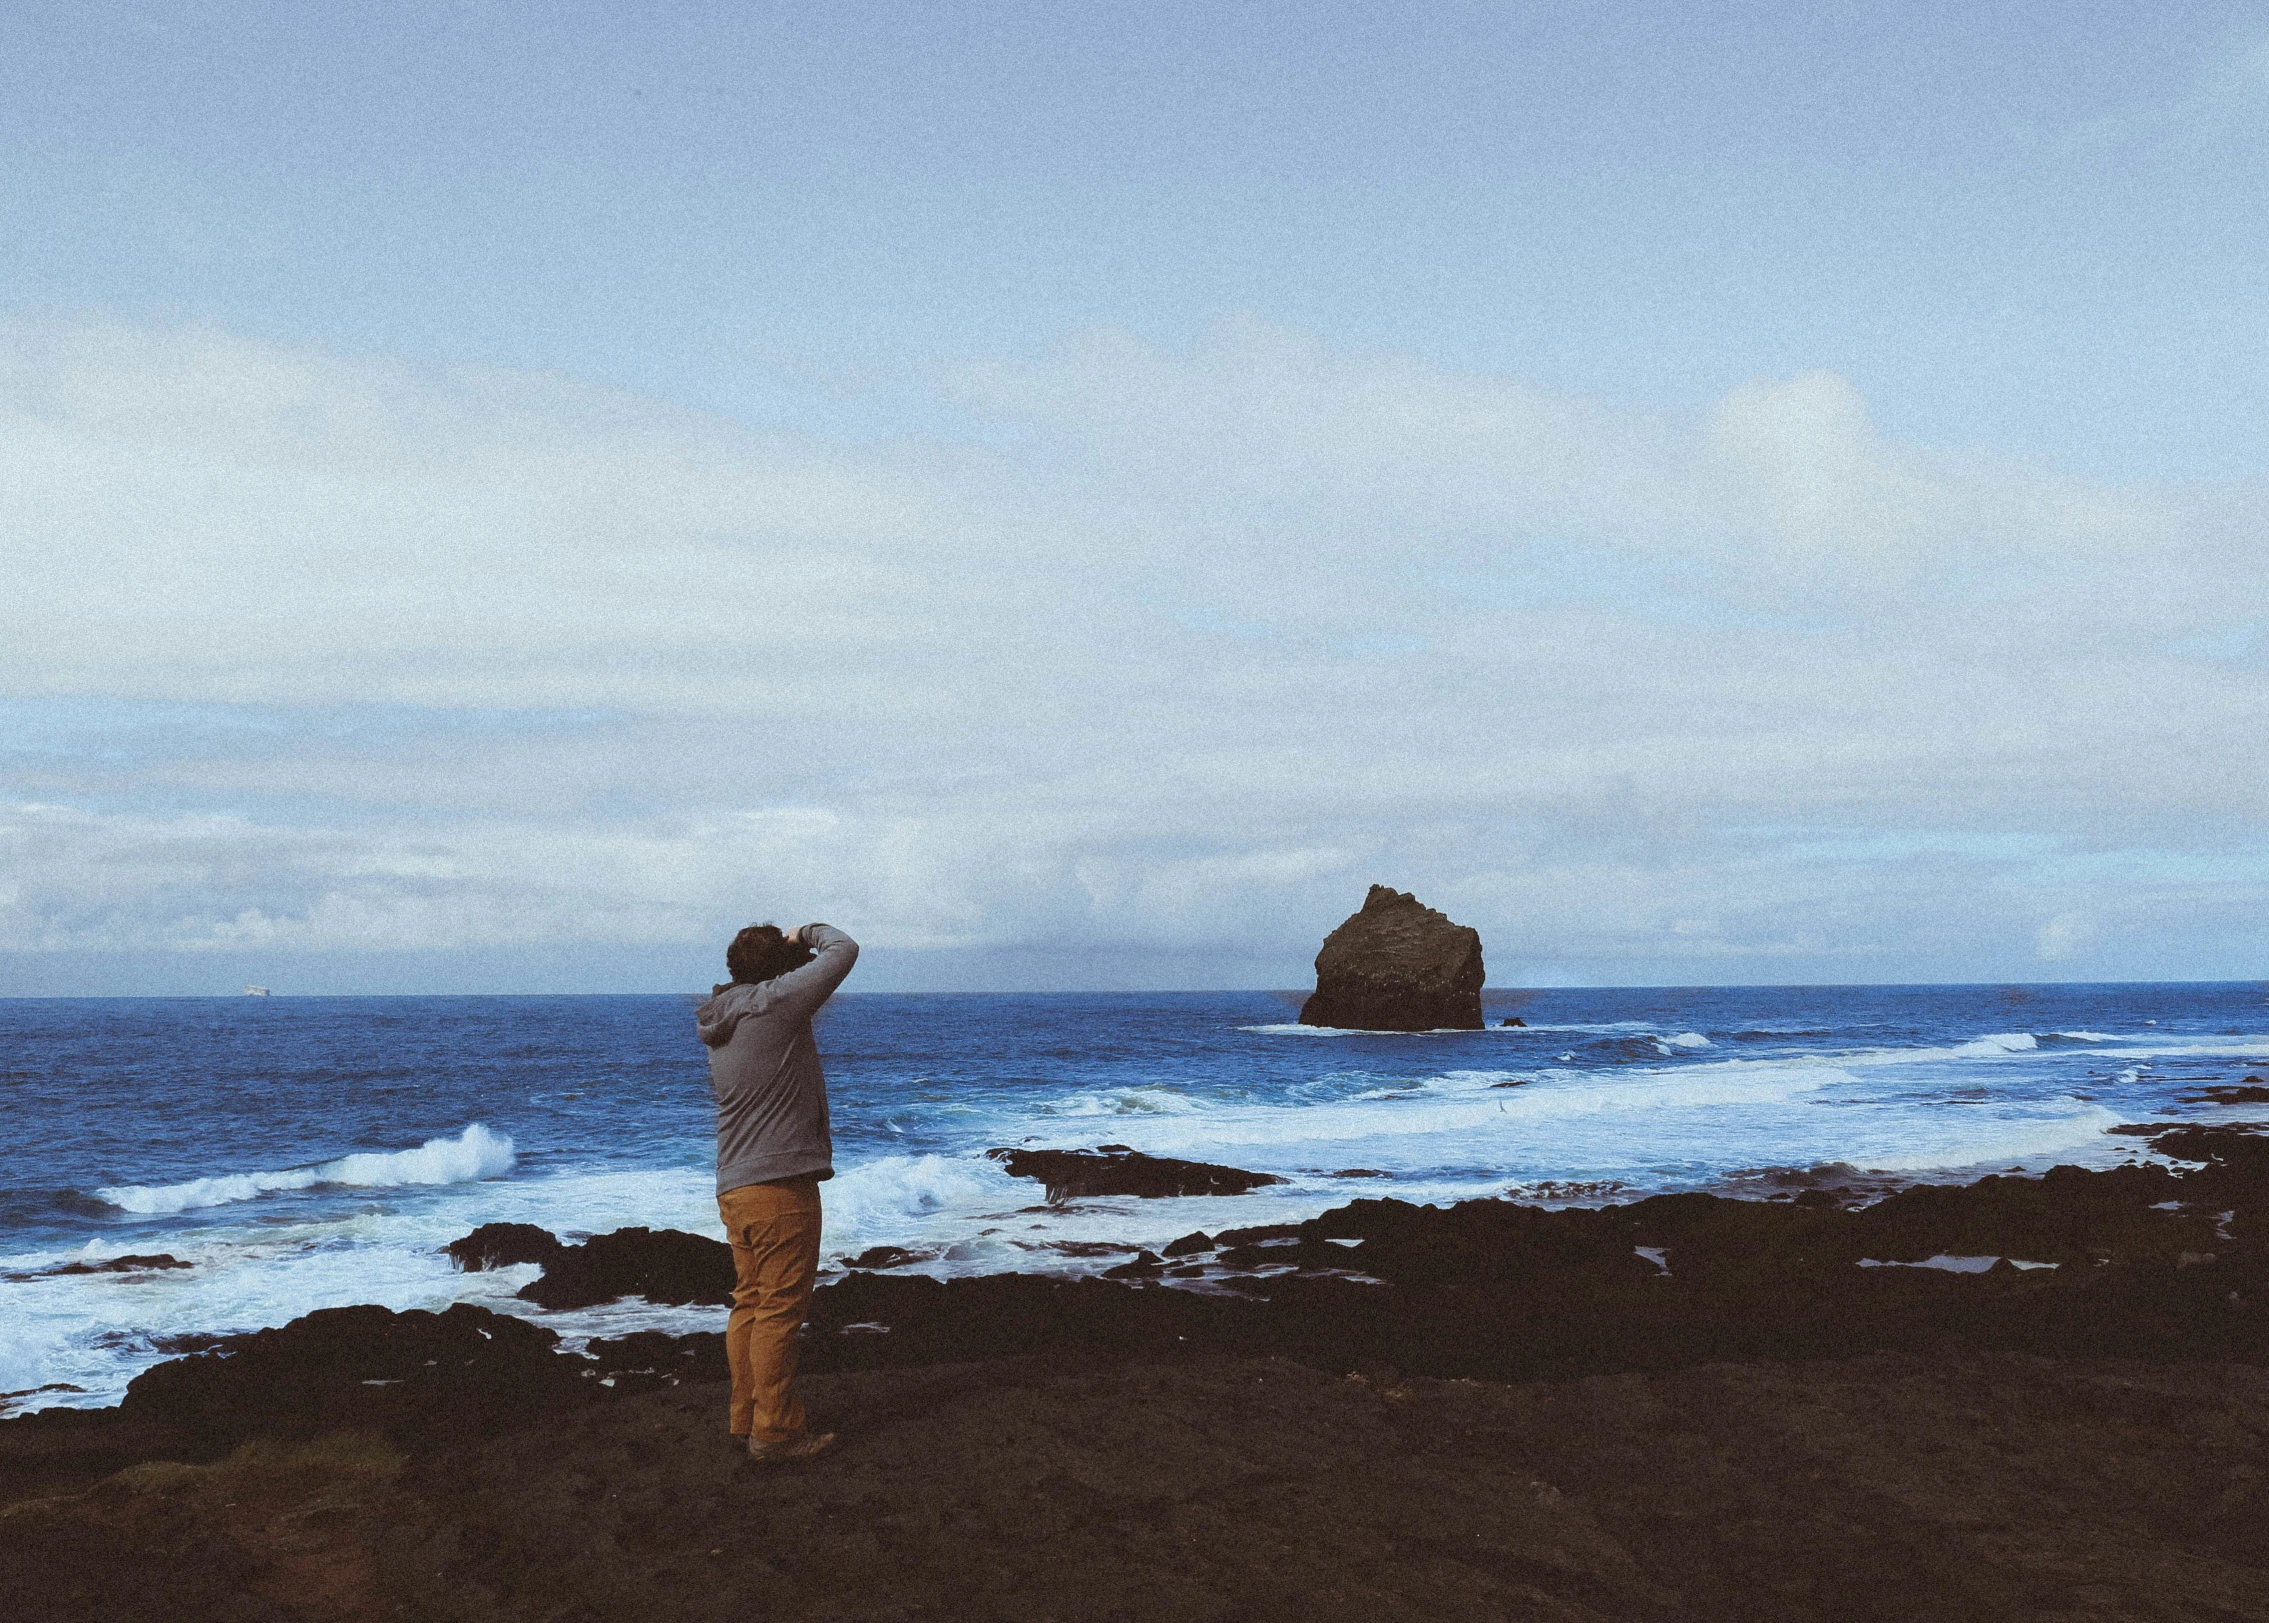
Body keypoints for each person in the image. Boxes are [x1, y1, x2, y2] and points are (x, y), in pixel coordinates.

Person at [694, 919, 859, 1462]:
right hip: (780, 1187)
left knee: (750, 1305)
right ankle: (776, 1432)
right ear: (779, 969)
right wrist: (804, 934)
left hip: (735, 1185)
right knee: (781, 1312)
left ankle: (746, 1419)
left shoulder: (725, 1014)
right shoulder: (777, 1003)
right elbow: (843, 949)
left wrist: (776, 954)